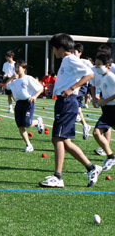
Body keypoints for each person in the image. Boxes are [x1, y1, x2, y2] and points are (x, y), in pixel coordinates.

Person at [39, 33, 101, 188]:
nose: (53, 51)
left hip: (67, 102)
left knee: (57, 139)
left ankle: (58, 177)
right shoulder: (67, 61)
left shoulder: (69, 59)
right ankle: (91, 168)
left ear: (60, 48)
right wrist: (58, 87)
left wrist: (71, 88)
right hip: (64, 102)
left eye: (54, 48)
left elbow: (89, 74)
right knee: (64, 141)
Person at [4, 60, 45, 152]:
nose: (17, 69)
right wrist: (11, 78)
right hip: (18, 104)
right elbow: (4, 87)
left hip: (27, 103)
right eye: (16, 67)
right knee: (20, 125)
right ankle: (28, 144)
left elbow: (40, 88)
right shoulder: (14, 81)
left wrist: (34, 96)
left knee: (27, 123)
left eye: (19, 67)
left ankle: (37, 122)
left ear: (24, 69)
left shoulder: (28, 78)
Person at [90, 52, 115, 173]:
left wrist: (104, 101)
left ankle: (110, 157)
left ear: (107, 65)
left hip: (113, 109)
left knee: (96, 132)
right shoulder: (102, 77)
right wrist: (97, 99)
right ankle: (111, 157)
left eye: (99, 65)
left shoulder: (111, 77)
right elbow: (99, 89)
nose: (96, 67)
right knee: (96, 133)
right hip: (107, 110)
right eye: (96, 64)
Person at [73, 43, 92, 140]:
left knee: (73, 99)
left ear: (80, 53)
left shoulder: (85, 62)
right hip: (75, 84)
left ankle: (76, 115)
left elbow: (93, 70)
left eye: (75, 52)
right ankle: (85, 125)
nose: (73, 53)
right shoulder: (71, 61)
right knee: (78, 106)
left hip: (82, 85)